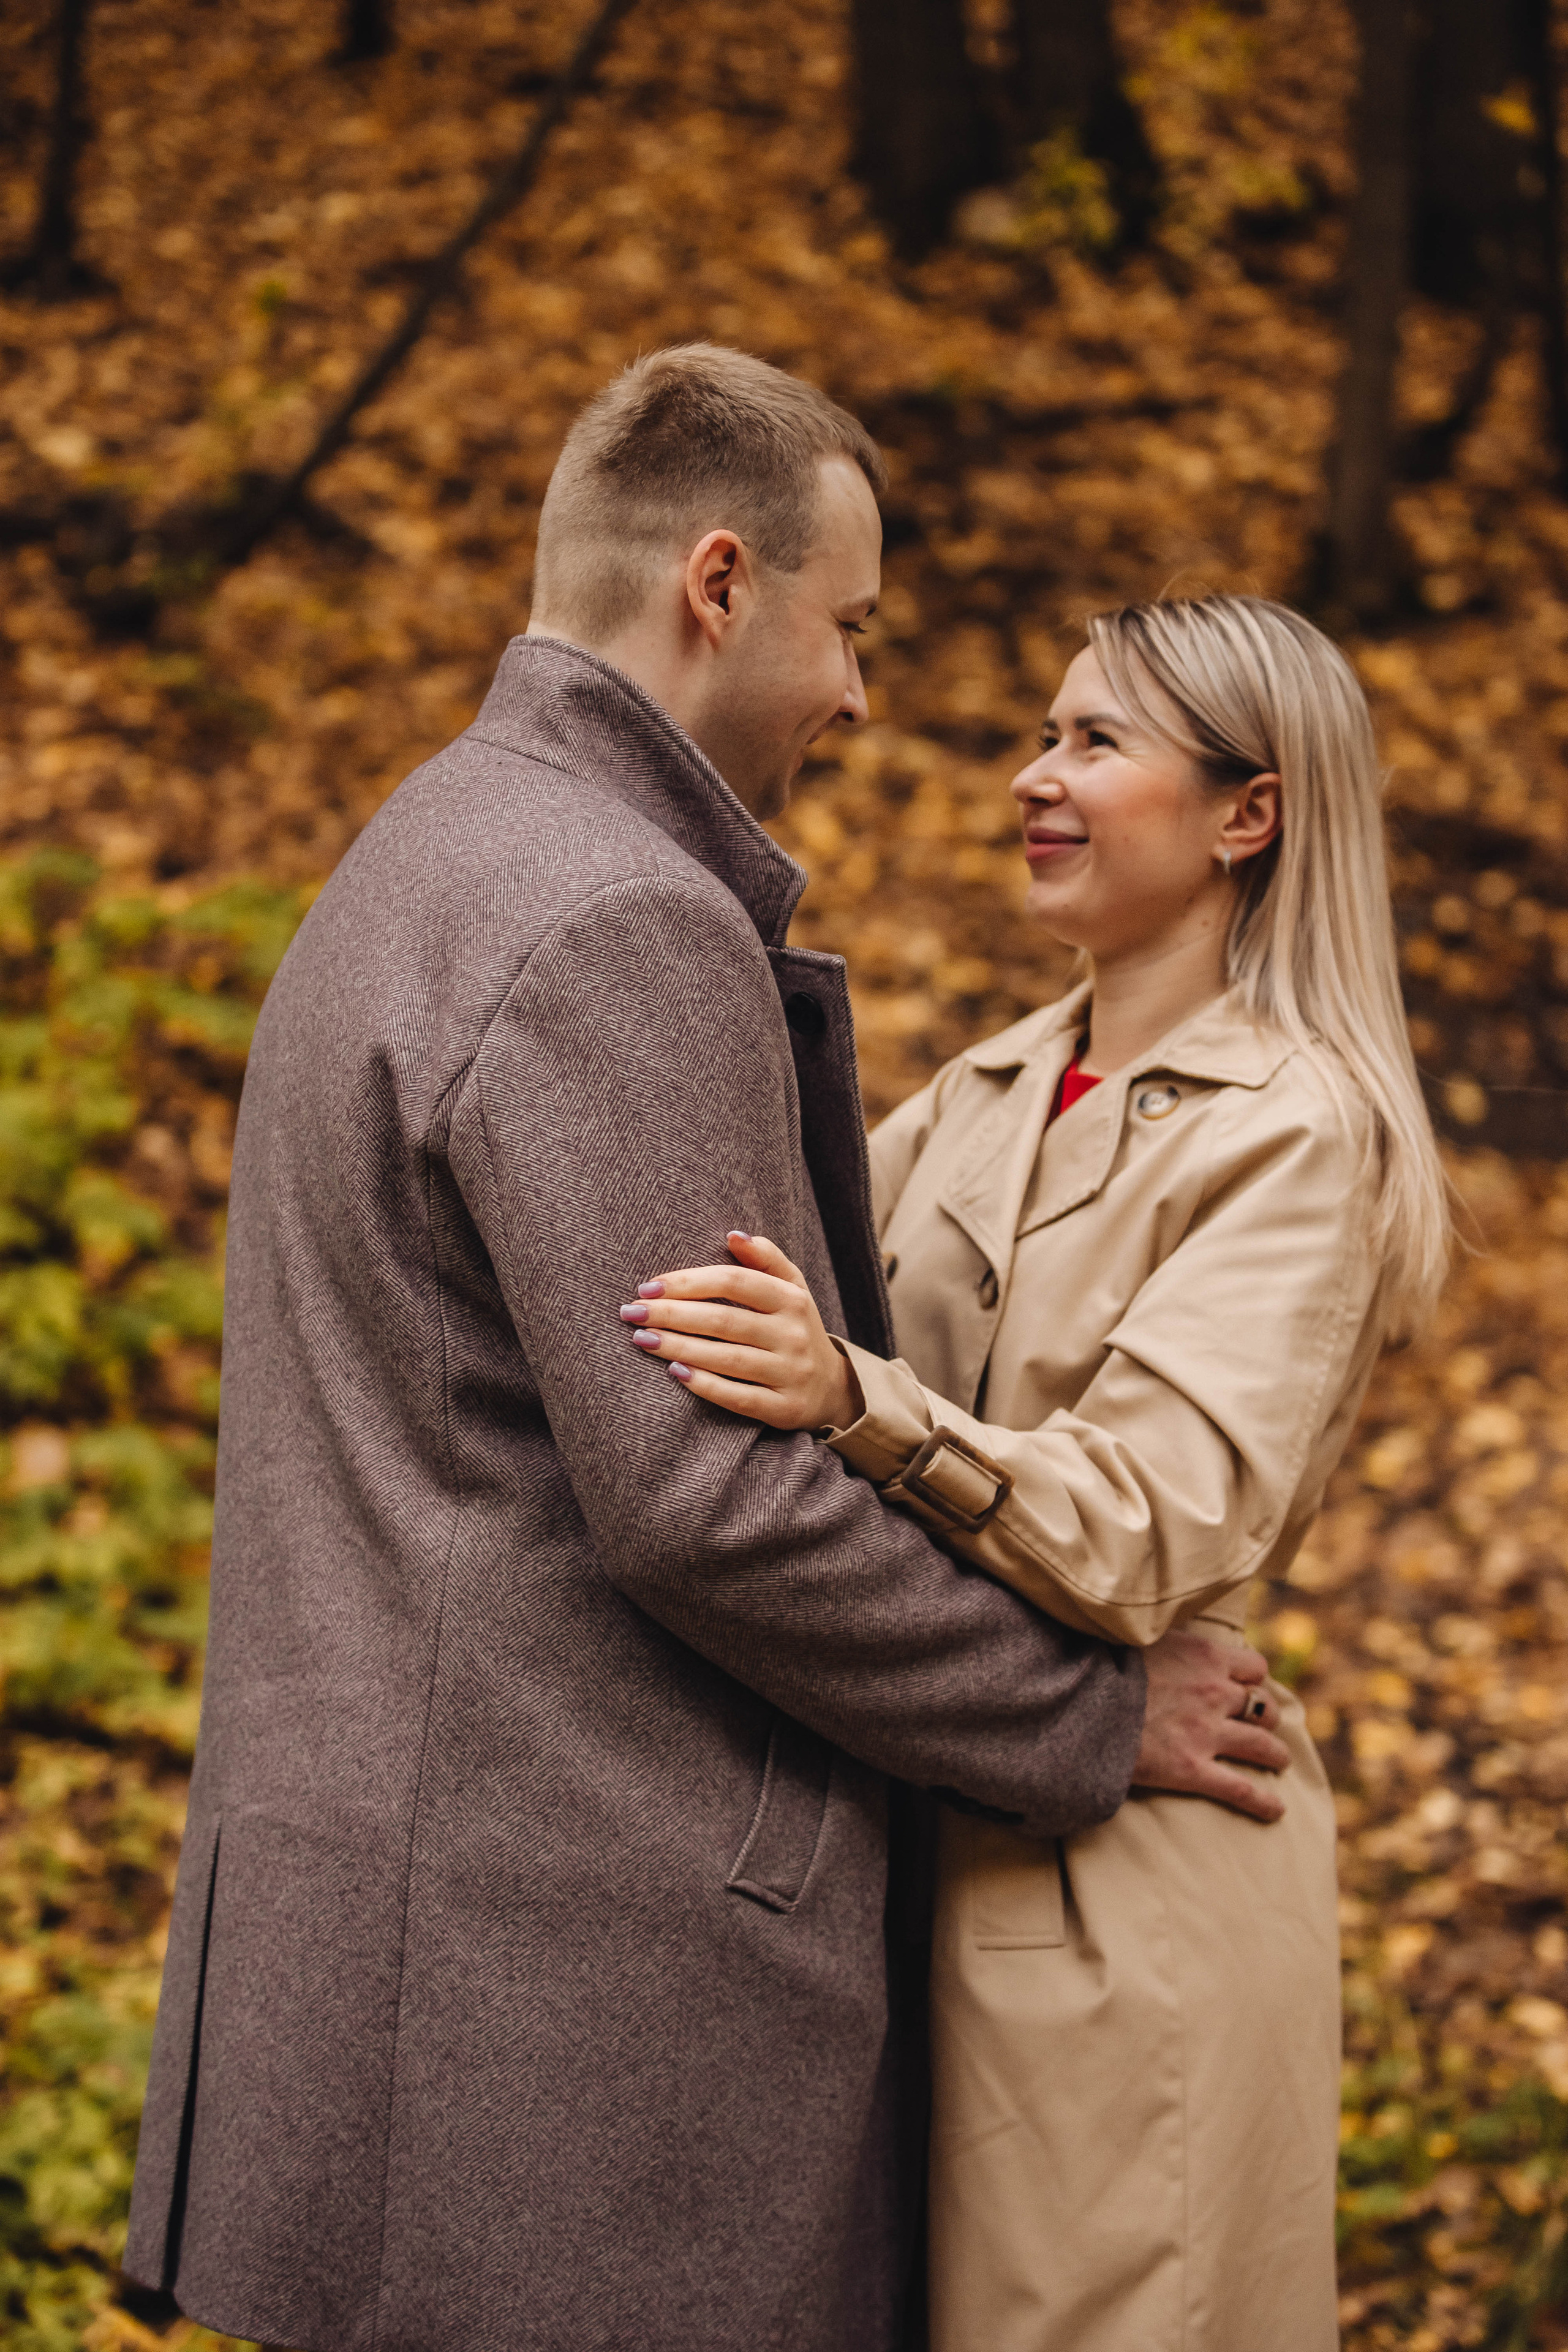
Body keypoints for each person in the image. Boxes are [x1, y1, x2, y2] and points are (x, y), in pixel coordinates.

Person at [123, 353, 1286, 2352]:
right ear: (721, 582)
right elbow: (714, 1508)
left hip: (406, 1936)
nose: (861, 694)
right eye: (852, 630)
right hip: (566, 1991)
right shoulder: (613, 922)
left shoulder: (428, 843)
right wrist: (1084, 1719)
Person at [628, 591, 1451, 2352]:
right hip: (920, 1841)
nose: (1034, 778)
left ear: (1250, 813)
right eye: (1044, 733)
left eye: (1095, 743)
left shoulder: (1301, 1128)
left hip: (1131, 1891)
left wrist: (857, 1403)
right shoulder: (994, 1090)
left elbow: (1145, 1525)